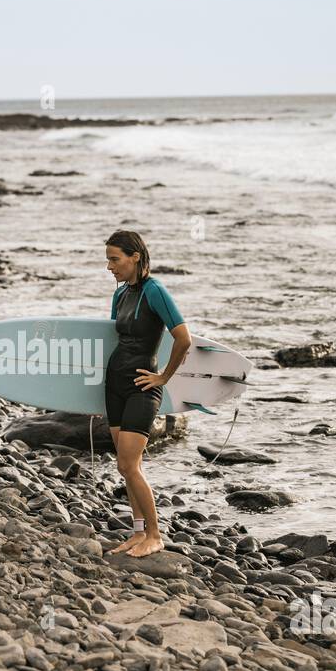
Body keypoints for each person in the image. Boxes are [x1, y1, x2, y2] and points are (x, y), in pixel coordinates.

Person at [103, 230, 191, 558]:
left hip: (142, 387)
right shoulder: (121, 294)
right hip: (115, 385)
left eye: (115, 259)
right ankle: (137, 533)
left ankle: (155, 535)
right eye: (108, 260)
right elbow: (115, 337)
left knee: (129, 465)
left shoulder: (155, 291)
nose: (110, 267)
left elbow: (183, 338)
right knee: (126, 466)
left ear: (135, 257)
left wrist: (163, 377)